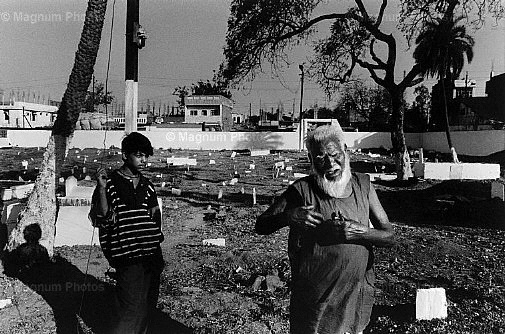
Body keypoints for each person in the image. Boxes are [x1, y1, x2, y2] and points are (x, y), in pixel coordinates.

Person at [256, 124, 395, 334]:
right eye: (320, 157)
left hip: (354, 294)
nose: (330, 163)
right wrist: (289, 216)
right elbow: (262, 225)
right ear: (312, 161)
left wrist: (359, 231)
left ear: (345, 151)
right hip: (315, 300)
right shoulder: (302, 190)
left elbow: (389, 236)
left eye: (334, 154)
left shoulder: (363, 185)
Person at [90, 132, 164, 334]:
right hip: (127, 254)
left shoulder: (147, 186)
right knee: (130, 307)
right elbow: (103, 217)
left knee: (148, 306)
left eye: (146, 156)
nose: (144, 160)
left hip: (151, 255)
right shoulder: (110, 183)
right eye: (139, 155)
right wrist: (102, 189)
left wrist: (155, 245)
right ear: (125, 155)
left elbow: (155, 219)